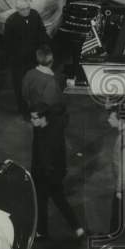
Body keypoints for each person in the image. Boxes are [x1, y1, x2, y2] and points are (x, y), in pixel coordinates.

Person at [30, 101, 84, 240]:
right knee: (52, 201)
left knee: (53, 201)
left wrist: (51, 176)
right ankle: (76, 228)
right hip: (43, 174)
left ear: (43, 118)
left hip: (50, 175)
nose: (31, 120)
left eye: (34, 118)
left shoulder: (53, 135)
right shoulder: (39, 128)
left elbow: (54, 157)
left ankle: (44, 232)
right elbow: (36, 153)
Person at [5, 0, 50, 119]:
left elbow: (41, 31)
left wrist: (44, 48)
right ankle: (24, 110)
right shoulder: (11, 21)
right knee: (21, 87)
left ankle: (37, 108)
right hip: (19, 62)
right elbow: (8, 44)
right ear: (17, 9)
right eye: (23, 9)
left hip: (34, 59)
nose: (26, 11)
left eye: (28, 8)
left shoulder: (34, 14)